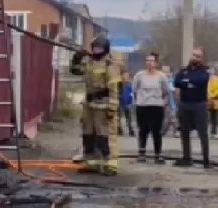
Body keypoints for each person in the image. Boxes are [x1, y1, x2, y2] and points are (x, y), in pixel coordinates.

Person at [70, 36, 120, 176]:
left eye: (99, 48)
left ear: (105, 49)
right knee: (88, 135)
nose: (96, 51)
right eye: (94, 48)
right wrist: (77, 57)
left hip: (103, 106)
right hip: (89, 105)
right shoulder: (89, 63)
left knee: (105, 136)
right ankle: (91, 164)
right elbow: (75, 70)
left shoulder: (110, 65)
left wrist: (112, 108)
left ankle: (110, 165)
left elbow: (114, 89)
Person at [173, 47, 211, 168]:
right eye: (194, 55)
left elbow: (200, 80)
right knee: (184, 132)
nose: (195, 58)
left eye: (198, 56)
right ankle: (186, 158)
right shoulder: (184, 70)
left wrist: (187, 82)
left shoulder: (205, 71)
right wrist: (188, 83)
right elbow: (176, 82)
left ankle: (206, 159)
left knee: (202, 133)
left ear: (201, 58)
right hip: (184, 104)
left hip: (199, 105)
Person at [132, 53, 168, 163]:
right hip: (142, 105)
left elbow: (165, 91)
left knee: (156, 131)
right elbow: (134, 90)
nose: (149, 62)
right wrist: (139, 100)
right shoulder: (139, 75)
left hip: (156, 105)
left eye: (152, 60)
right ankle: (142, 153)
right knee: (143, 130)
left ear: (156, 63)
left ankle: (158, 154)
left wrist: (160, 101)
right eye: (147, 60)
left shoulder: (161, 76)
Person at [161, 66, 179, 136]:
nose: (166, 73)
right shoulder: (161, 80)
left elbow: (175, 89)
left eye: (167, 72)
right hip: (165, 101)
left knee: (172, 116)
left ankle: (175, 131)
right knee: (166, 118)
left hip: (172, 101)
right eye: (164, 72)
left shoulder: (172, 80)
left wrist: (174, 91)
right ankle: (163, 131)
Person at [118, 72, 135, 136]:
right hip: (120, 103)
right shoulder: (119, 84)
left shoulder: (129, 85)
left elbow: (131, 95)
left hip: (128, 103)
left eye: (127, 75)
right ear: (122, 75)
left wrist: (130, 103)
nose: (126, 76)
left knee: (129, 117)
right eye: (125, 75)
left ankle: (131, 130)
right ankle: (119, 129)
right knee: (119, 117)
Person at [207, 69, 218, 137]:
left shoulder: (217, 80)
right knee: (210, 116)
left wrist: (211, 95)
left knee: (214, 116)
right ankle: (212, 131)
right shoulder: (207, 80)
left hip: (214, 100)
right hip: (209, 99)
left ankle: (214, 131)